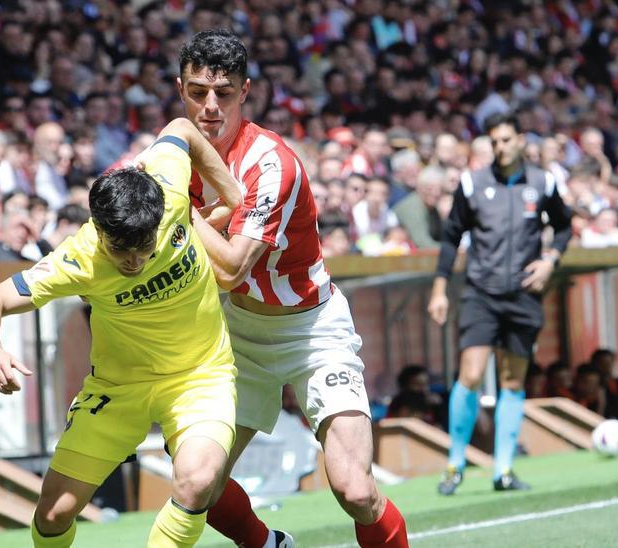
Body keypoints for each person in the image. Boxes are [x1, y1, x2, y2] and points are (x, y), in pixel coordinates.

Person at [174, 30, 408, 548]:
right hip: (235, 334)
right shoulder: (173, 158)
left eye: (224, 93)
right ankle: (269, 546)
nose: (210, 106)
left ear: (245, 91)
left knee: (354, 490)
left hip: (310, 328)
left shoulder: (270, 162)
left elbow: (233, 267)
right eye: (197, 92)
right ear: (180, 89)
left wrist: (178, 210)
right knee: (196, 482)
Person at [0, 117, 243, 548]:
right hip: (118, 388)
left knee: (197, 480)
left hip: (199, 376)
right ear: (99, 229)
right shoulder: (77, 260)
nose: (133, 262)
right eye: (120, 251)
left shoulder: (167, 191)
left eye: (143, 249)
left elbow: (183, 128)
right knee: (54, 513)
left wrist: (232, 193)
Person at [428, 111, 572, 495]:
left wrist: (549, 261)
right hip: (481, 292)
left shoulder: (544, 182)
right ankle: (454, 464)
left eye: (506, 139)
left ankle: (503, 470)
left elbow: (563, 227)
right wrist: (440, 288)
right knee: (471, 374)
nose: (500, 147)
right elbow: (451, 236)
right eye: (494, 141)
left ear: (522, 140)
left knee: (512, 380)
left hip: (524, 295)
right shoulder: (473, 184)